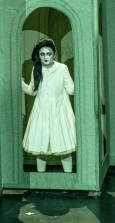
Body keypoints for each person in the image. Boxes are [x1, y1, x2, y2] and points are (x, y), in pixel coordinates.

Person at [21, 37, 76, 172]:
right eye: (42, 54)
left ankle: (68, 178)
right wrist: (20, 83)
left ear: (54, 54)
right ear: (38, 55)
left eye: (49, 54)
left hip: (59, 111)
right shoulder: (36, 69)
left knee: (64, 147)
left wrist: (83, 80)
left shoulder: (62, 68)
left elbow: (71, 89)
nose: (46, 57)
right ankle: (41, 178)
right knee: (41, 148)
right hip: (41, 111)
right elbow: (33, 91)